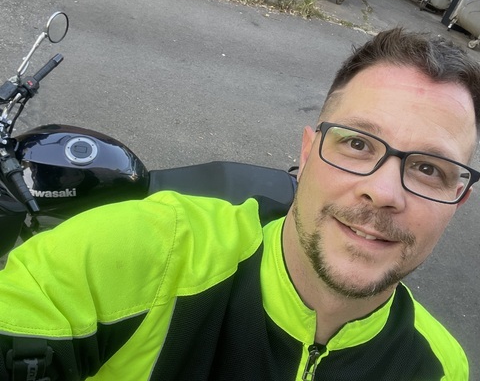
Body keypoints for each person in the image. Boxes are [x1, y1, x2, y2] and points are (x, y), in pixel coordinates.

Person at [0, 27, 478, 380]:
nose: (384, 192)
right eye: (357, 144)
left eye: (429, 168)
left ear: (458, 200)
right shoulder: (141, 252)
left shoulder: (441, 368)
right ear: (307, 153)